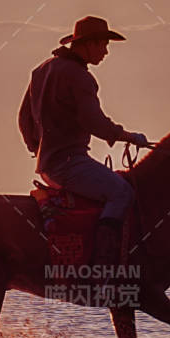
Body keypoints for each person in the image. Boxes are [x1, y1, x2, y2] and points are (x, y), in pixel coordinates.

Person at [18, 16, 149, 277]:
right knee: (122, 193)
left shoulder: (41, 71)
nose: (106, 52)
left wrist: (38, 148)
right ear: (88, 45)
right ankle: (104, 265)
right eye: (103, 45)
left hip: (46, 165)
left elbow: (23, 118)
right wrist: (128, 136)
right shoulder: (80, 77)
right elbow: (94, 122)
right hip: (70, 163)